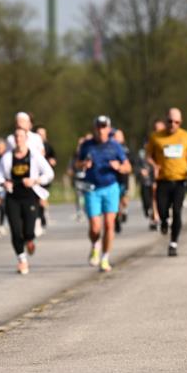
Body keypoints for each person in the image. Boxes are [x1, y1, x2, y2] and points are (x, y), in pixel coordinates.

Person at [0, 126, 54, 274]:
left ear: (26, 138)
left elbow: (49, 173)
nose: (18, 139)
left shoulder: (34, 156)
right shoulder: (7, 157)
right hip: (12, 197)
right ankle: (22, 260)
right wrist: (4, 183)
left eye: (21, 136)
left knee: (28, 230)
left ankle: (29, 240)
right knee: (15, 231)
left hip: (30, 196)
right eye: (16, 137)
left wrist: (35, 180)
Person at [77, 116, 131, 272]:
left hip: (110, 188)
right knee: (95, 227)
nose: (101, 130)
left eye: (104, 127)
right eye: (98, 127)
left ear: (108, 128)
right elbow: (77, 164)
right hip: (92, 188)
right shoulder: (87, 145)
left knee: (109, 224)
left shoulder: (115, 146)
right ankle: (95, 244)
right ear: (94, 128)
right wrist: (83, 164)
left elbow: (127, 166)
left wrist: (119, 167)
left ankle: (105, 257)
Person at [146, 107, 187, 257]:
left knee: (177, 211)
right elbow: (148, 156)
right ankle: (163, 221)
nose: (173, 124)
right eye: (170, 121)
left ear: (180, 122)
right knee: (162, 209)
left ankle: (173, 243)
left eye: (176, 122)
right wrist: (154, 165)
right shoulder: (156, 137)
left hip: (180, 180)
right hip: (163, 179)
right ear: (165, 120)